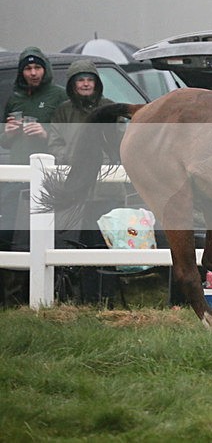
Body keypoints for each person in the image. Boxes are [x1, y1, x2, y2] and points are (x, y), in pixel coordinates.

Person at [48, 59, 127, 303]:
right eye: (80, 80)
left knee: (106, 244)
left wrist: (107, 156)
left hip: (107, 190)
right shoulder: (63, 111)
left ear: (97, 83)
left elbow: (122, 140)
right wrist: (72, 157)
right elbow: (54, 143)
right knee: (79, 245)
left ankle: (107, 298)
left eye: (89, 80)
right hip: (76, 192)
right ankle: (85, 298)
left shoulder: (110, 108)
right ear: (72, 84)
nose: (85, 84)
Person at [0, 47, 68, 251]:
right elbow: (4, 141)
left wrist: (45, 134)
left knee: (46, 227)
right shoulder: (15, 97)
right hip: (17, 172)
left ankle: (53, 265)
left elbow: (68, 136)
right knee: (10, 225)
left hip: (47, 173)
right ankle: (11, 266)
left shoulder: (59, 95)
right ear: (22, 72)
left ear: (45, 69)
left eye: (37, 68)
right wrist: (8, 133)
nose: (33, 73)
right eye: (28, 68)